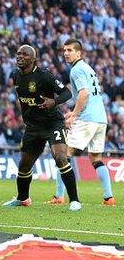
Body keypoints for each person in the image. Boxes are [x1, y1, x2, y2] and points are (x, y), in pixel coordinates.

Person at [3, 45, 81, 211]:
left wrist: (54, 101)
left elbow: (67, 93)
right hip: (33, 126)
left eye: (24, 54)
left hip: (52, 123)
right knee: (24, 165)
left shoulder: (44, 75)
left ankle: (74, 200)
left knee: (60, 157)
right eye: (18, 54)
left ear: (33, 59)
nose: (19, 57)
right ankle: (23, 199)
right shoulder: (16, 75)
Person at [48, 39, 115, 206]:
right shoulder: (88, 68)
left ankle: (59, 196)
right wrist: (75, 112)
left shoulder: (77, 70)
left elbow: (84, 94)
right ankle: (109, 198)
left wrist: (74, 115)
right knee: (95, 158)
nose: (66, 53)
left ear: (79, 53)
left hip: (87, 118)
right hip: (101, 119)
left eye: (70, 50)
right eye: (64, 50)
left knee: (63, 155)